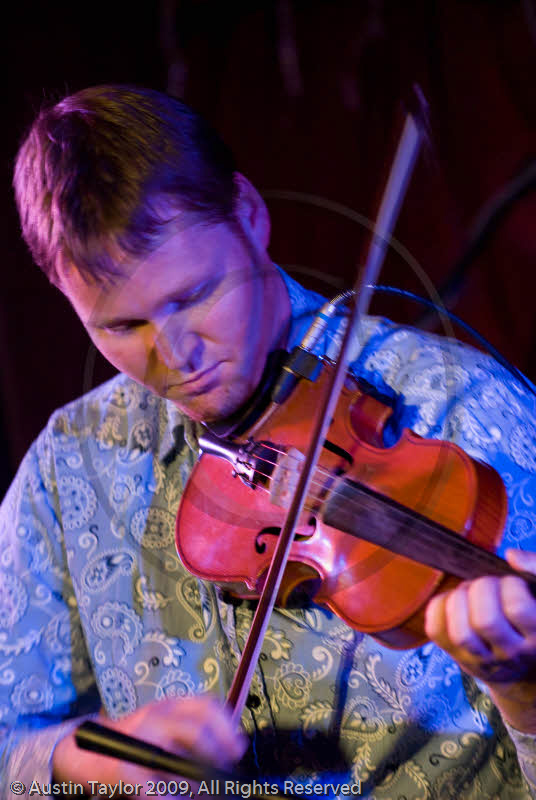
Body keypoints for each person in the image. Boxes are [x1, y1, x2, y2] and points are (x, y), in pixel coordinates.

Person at [2, 84, 536, 799]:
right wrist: (93, 752)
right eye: (122, 328)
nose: (179, 355)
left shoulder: (466, 410)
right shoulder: (69, 462)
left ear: (249, 214)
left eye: (194, 295)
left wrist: (527, 693)